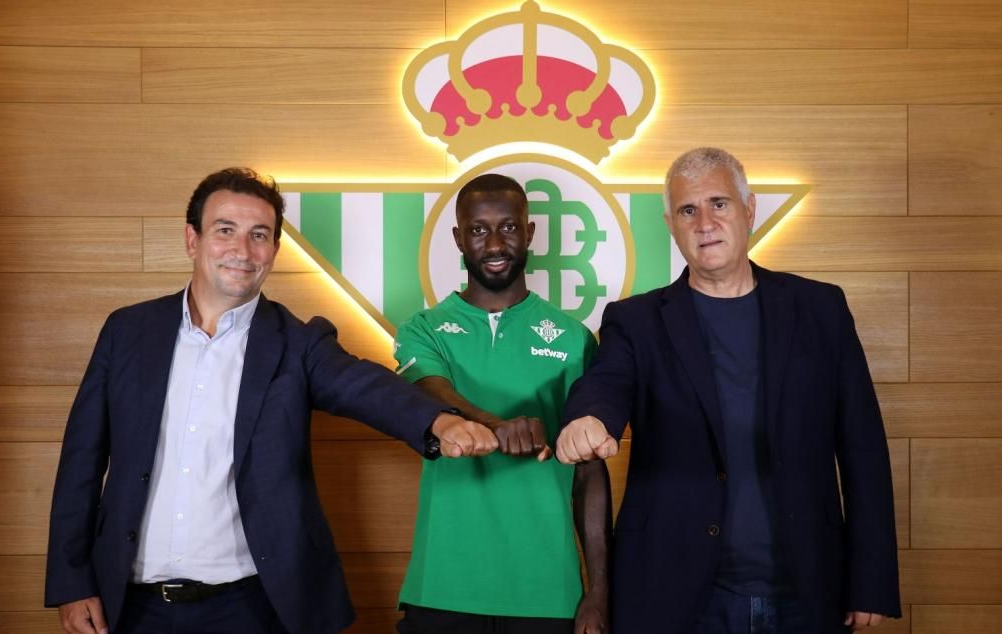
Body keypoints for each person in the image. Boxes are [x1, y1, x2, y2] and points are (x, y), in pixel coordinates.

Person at [44, 167, 498, 634]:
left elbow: (365, 385)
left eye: (259, 235)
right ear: (192, 239)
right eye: (225, 230)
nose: (242, 250)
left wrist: (439, 421)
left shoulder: (297, 343)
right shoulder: (127, 332)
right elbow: (81, 461)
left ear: (274, 250)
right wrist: (72, 583)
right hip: (131, 607)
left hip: (252, 608)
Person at [555, 148, 901, 634]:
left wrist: (871, 580)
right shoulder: (636, 321)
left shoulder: (820, 309)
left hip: (806, 588)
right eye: (687, 210)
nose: (705, 223)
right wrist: (588, 418)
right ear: (671, 225)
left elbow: (863, 448)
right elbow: (606, 383)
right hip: (676, 595)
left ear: (749, 209)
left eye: (718, 203)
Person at [393, 174, 612, 634]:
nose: (494, 244)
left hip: (547, 591)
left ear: (529, 232)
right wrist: (497, 426)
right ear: (459, 239)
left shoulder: (574, 339)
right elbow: (428, 392)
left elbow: (589, 473)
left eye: (509, 227)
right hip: (443, 585)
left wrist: (598, 591)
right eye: (478, 230)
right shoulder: (423, 329)